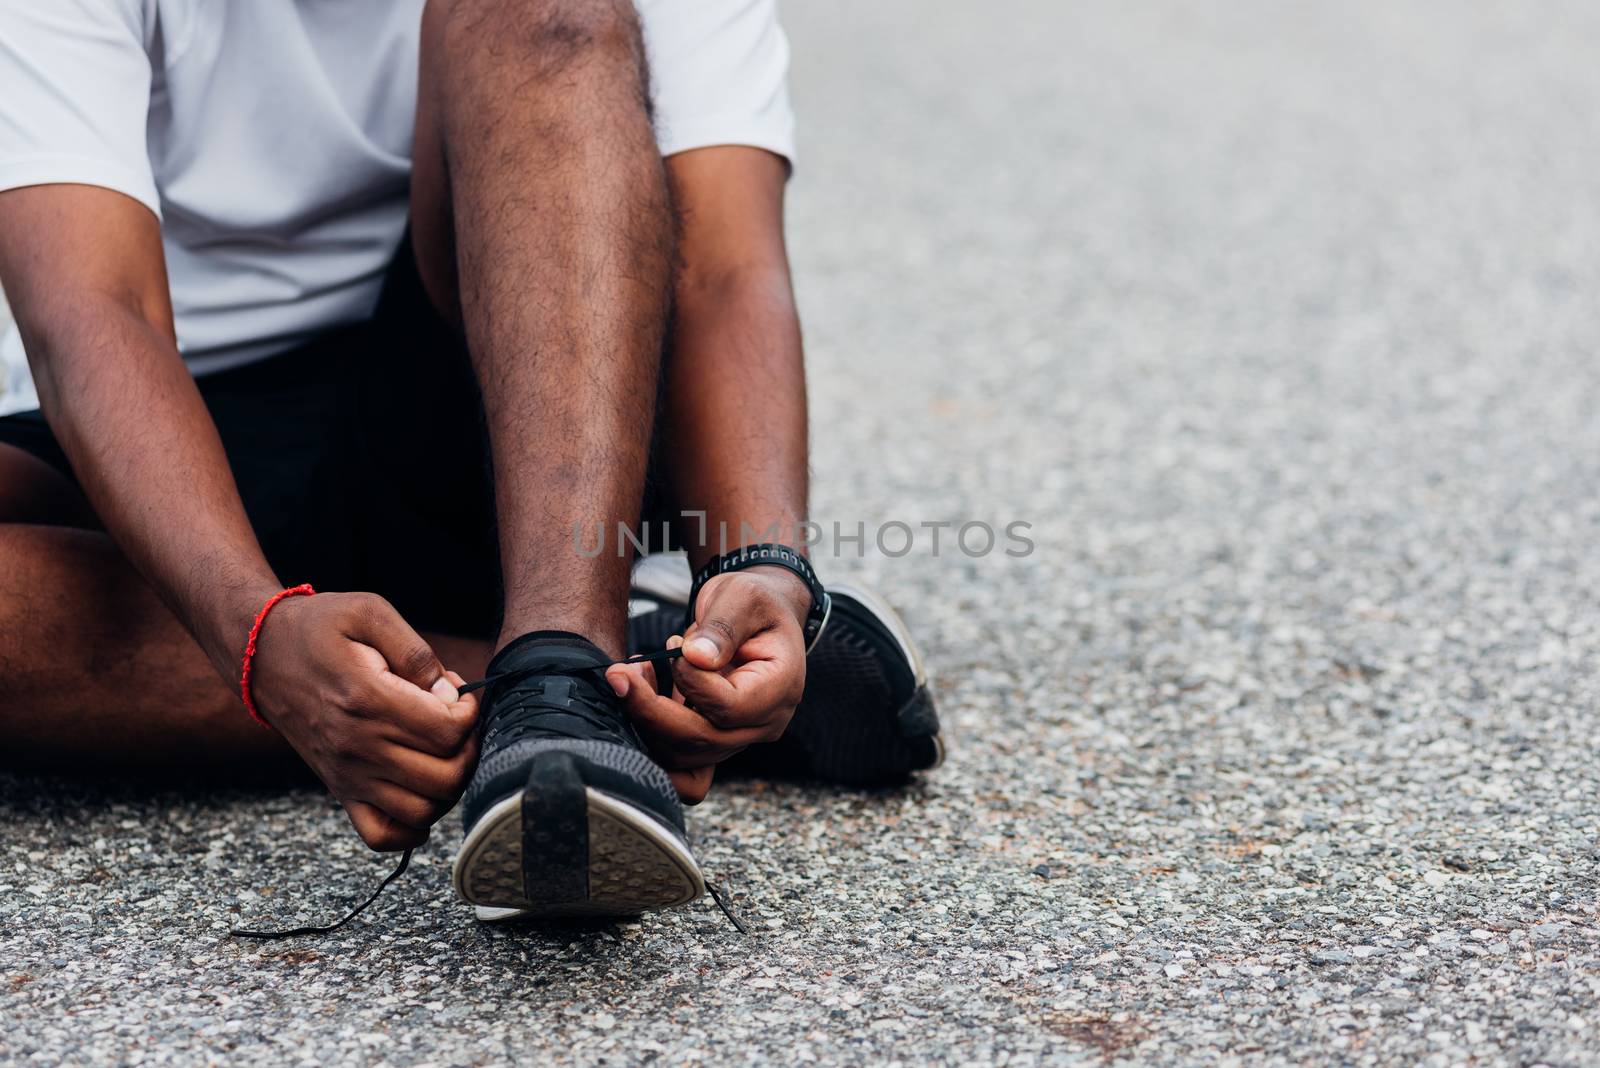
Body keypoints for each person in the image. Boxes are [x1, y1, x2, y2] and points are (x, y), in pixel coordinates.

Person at [0, 0, 941, 921]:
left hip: (524, 404)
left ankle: (564, 663)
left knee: (540, 10)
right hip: (158, 437)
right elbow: (96, 310)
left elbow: (724, 269)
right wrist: (252, 632)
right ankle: (630, 683)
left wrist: (761, 564)